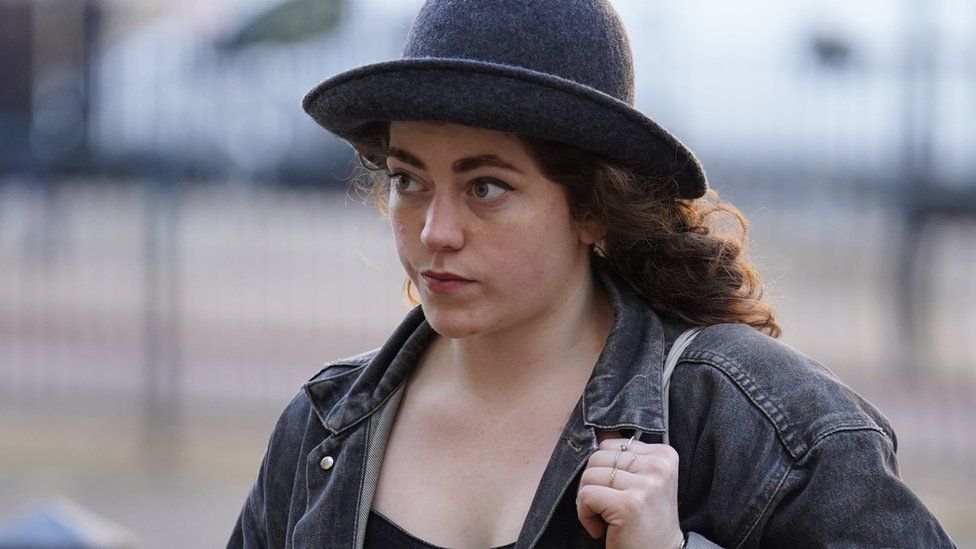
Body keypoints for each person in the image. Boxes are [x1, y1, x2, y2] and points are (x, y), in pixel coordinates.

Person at [229, 0, 954, 547]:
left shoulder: (752, 424)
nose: (434, 231)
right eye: (409, 180)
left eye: (485, 186)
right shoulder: (324, 428)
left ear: (593, 209)